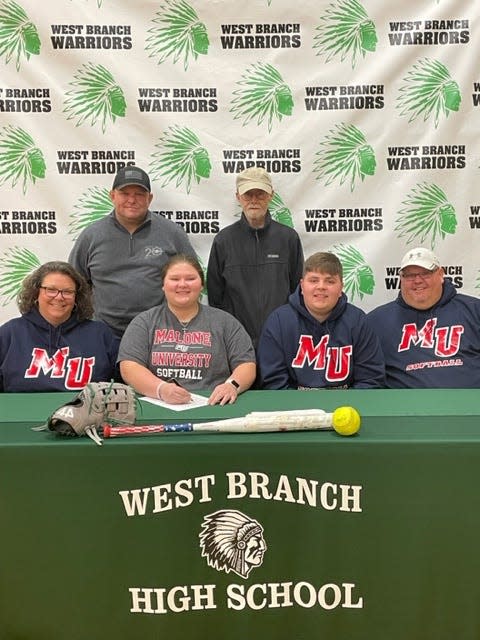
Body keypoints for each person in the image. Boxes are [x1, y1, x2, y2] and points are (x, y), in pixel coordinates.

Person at [68, 165, 196, 340]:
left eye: (139, 194)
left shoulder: (172, 233)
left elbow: (191, 279)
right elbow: (73, 283)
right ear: (112, 195)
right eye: (125, 193)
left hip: (159, 334)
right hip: (103, 334)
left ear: (149, 198)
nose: (132, 200)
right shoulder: (92, 235)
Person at [118, 254, 256, 405]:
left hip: (214, 404)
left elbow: (246, 364)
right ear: (163, 285)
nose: (182, 284)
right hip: (157, 404)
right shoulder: (144, 322)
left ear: (202, 284)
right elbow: (129, 367)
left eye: (190, 279)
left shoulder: (226, 322)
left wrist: (232, 385)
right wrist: (161, 389)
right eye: (175, 279)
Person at [207, 166, 304, 349]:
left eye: (260, 194)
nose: (254, 200)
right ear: (238, 197)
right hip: (236, 341)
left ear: (271, 195)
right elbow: (215, 296)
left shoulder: (288, 238)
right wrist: (228, 333)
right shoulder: (224, 240)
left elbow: (297, 290)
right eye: (247, 195)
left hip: (281, 339)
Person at [257, 252, 385, 389]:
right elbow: (273, 382)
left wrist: (346, 407)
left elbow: (371, 379)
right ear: (302, 286)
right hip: (295, 407)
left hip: (346, 405)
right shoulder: (278, 322)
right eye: (313, 280)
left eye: (330, 281)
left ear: (341, 287)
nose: (321, 286)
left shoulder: (358, 321)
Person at [367, 247, 480, 388]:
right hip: (405, 408)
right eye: (409, 275)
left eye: (425, 273)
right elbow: (367, 377)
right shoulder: (376, 322)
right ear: (401, 279)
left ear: (440, 274)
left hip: (470, 407)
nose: (417, 280)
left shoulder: (474, 310)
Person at [0, 261, 117, 392]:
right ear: (36, 293)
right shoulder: (9, 334)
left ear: (77, 297)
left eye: (67, 292)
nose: (59, 297)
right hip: (20, 412)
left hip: (85, 412)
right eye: (51, 290)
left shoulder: (100, 334)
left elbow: (119, 387)